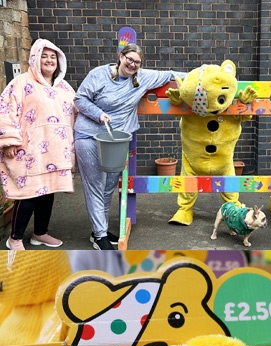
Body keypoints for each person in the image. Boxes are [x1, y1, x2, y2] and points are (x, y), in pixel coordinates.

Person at [74, 43, 184, 250]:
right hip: (89, 135)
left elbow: (170, 74)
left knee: (108, 186)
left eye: (137, 62)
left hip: (115, 140)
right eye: (129, 59)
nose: (132, 64)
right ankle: (99, 236)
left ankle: (100, 230)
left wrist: (204, 75)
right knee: (96, 185)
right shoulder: (99, 74)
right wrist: (98, 114)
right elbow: (79, 98)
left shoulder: (142, 77)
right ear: (121, 56)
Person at [0, 39, 76, 250]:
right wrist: (8, 140)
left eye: (53, 56)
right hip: (28, 150)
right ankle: (14, 238)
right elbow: (5, 109)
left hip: (55, 151)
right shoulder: (21, 83)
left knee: (47, 193)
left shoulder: (64, 87)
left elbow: (79, 111)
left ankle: (40, 233)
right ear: (35, 58)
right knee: (27, 194)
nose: (49, 60)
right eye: (44, 55)